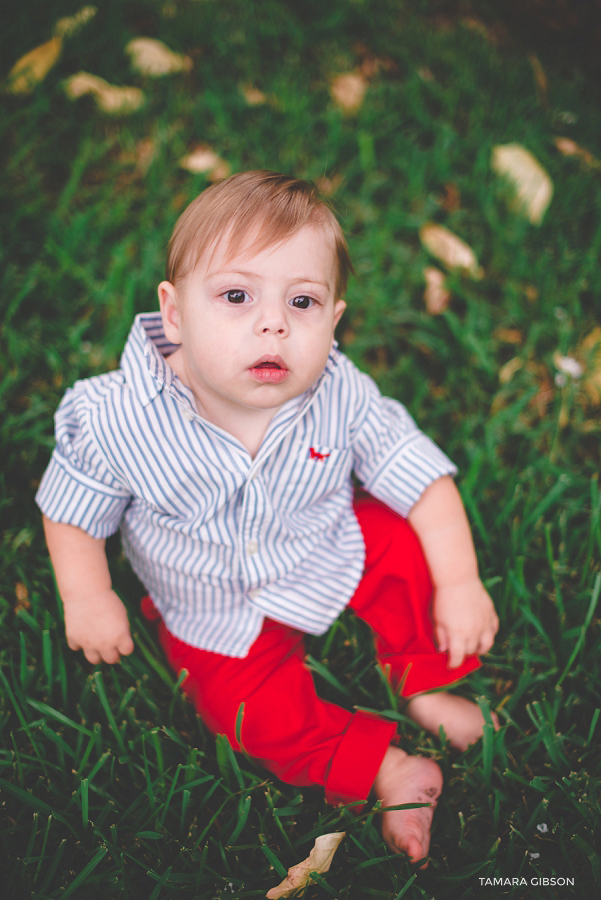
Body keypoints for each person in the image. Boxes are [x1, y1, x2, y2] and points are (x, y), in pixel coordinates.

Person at [37, 170, 499, 866]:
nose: (272, 323)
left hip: (323, 545)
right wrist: (88, 594)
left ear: (333, 320)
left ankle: (424, 676)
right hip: (210, 603)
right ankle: (383, 766)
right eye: (235, 295)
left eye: (302, 302)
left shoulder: (340, 391)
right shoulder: (113, 419)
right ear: (174, 312)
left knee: (402, 543)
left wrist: (460, 581)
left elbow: (420, 477)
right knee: (243, 715)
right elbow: (72, 511)